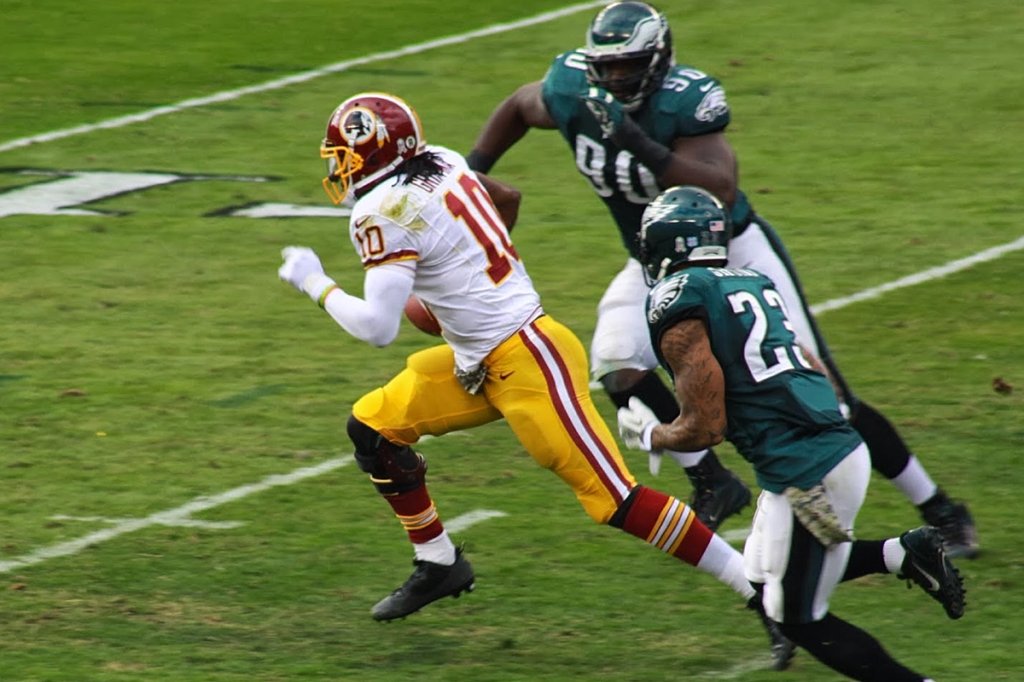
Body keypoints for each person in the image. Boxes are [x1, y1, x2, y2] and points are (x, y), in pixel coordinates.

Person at [276, 92, 794, 667]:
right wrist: (469, 280)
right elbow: (504, 196)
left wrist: (314, 283)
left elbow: (376, 327)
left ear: (373, 157)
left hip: (529, 359)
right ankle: (440, 562)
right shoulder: (443, 159)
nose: (337, 169)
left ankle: (763, 596)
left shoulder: (380, 212)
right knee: (373, 427)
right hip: (478, 359)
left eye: (343, 157)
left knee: (616, 500)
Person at [465, 0, 979, 557]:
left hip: (731, 251)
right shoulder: (572, 88)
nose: (615, 78)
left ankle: (940, 509)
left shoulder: (686, 99)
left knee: (829, 397)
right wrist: (472, 174)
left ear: (658, 59)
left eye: (628, 66)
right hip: (655, 263)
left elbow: (719, 187)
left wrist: (637, 141)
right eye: (606, 68)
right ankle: (713, 480)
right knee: (617, 364)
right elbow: (520, 105)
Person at [617, 184, 965, 681]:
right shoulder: (750, 281)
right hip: (823, 446)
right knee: (762, 575)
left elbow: (707, 427)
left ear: (667, 246)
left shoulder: (678, 300)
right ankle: (903, 553)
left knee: (796, 617)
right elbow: (810, 363)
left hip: (809, 468)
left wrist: (655, 435)